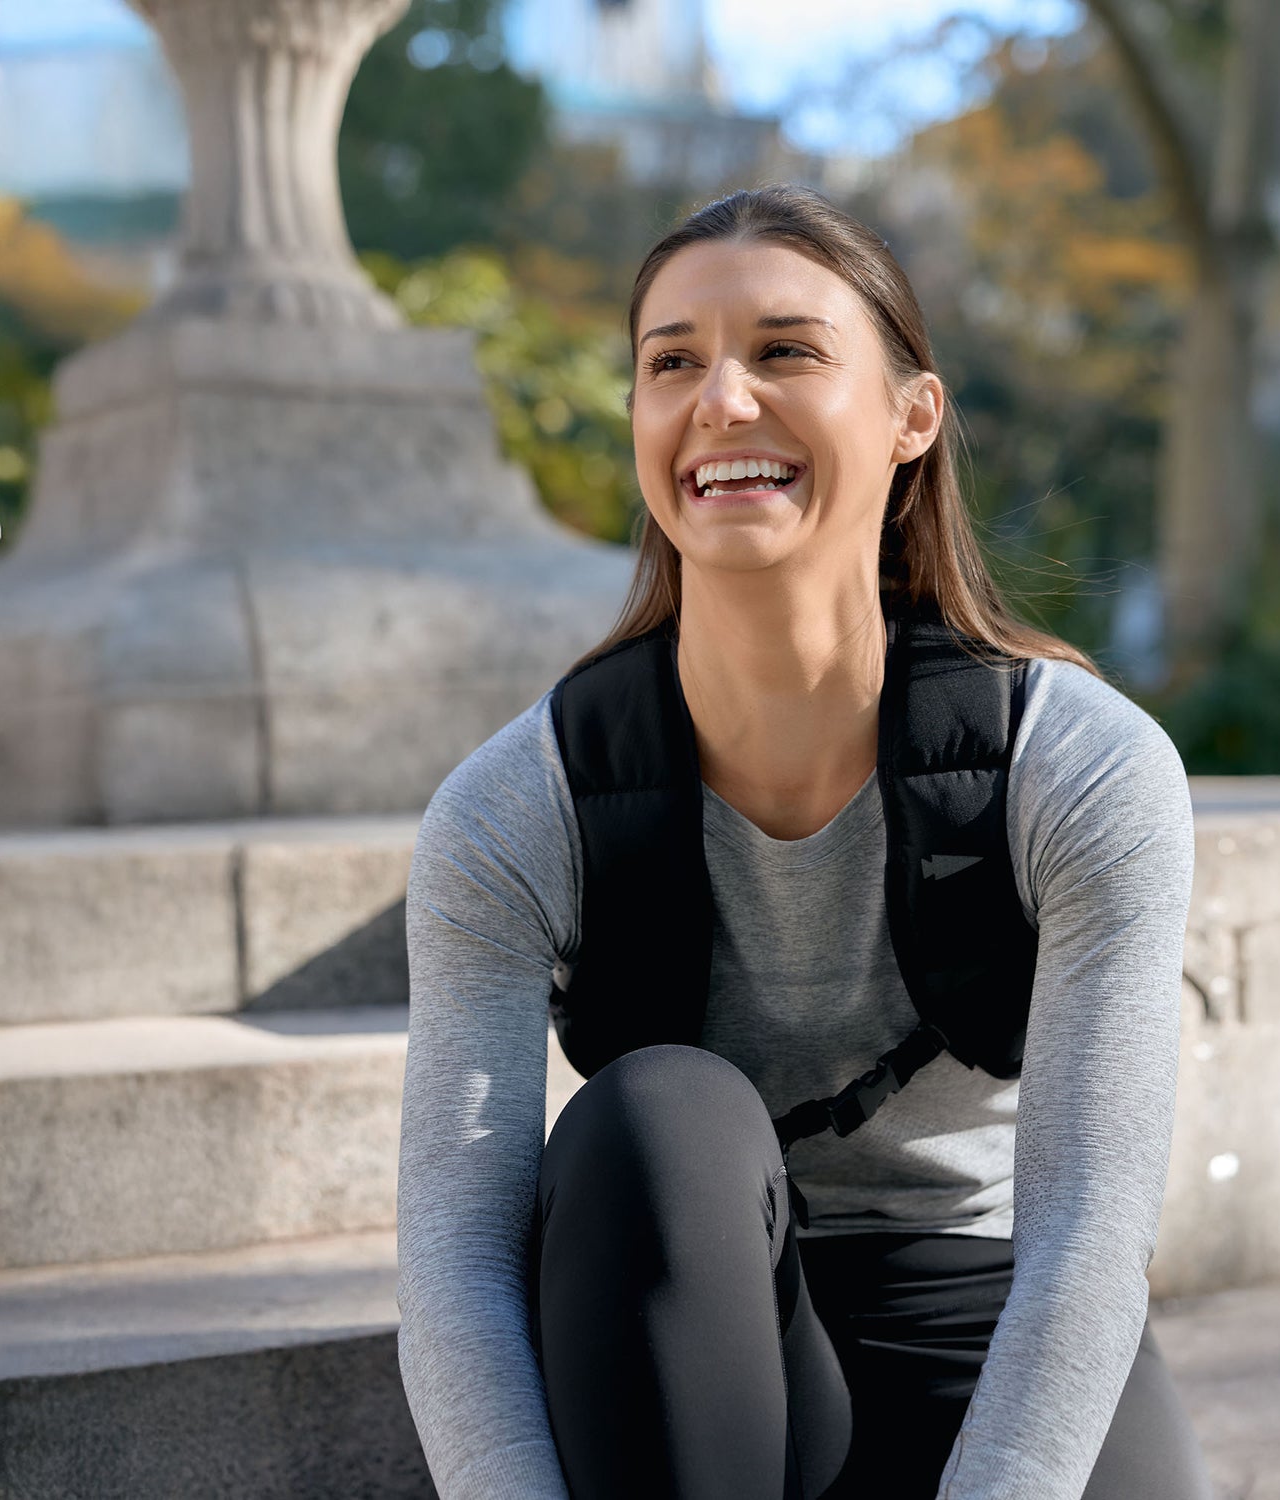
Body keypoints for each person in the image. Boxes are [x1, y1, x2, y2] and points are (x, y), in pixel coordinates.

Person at [396, 184, 1214, 1500]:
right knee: (653, 1120)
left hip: (992, 1320)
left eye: (786, 352)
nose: (720, 401)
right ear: (640, 424)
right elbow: (454, 1265)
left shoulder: (1080, 768)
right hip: (682, 1324)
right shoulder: (512, 811)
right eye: (672, 363)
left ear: (911, 418)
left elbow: (1087, 1241)